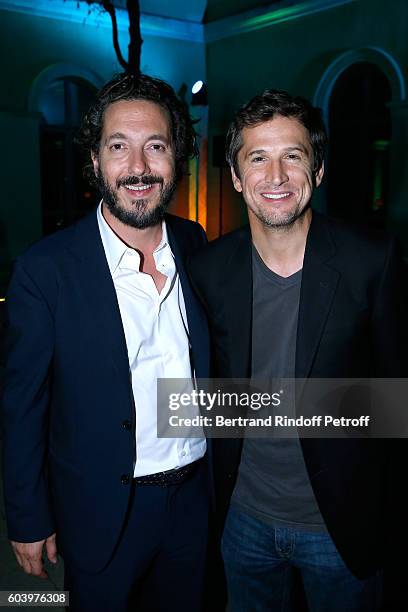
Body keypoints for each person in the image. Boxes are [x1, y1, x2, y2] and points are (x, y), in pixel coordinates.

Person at [187, 89, 407, 611]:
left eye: (293, 155)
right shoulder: (209, 271)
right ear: (237, 177)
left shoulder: (371, 260)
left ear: (319, 168)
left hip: (341, 526)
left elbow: (398, 398)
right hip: (243, 522)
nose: (277, 176)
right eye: (257, 158)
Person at [2, 72, 210, 612]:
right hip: (102, 508)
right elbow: (23, 405)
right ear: (95, 162)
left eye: (156, 146)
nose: (138, 167)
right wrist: (28, 516)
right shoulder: (43, 271)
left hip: (195, 501)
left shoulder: (196, 242)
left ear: (176, 157)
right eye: (119, 146)